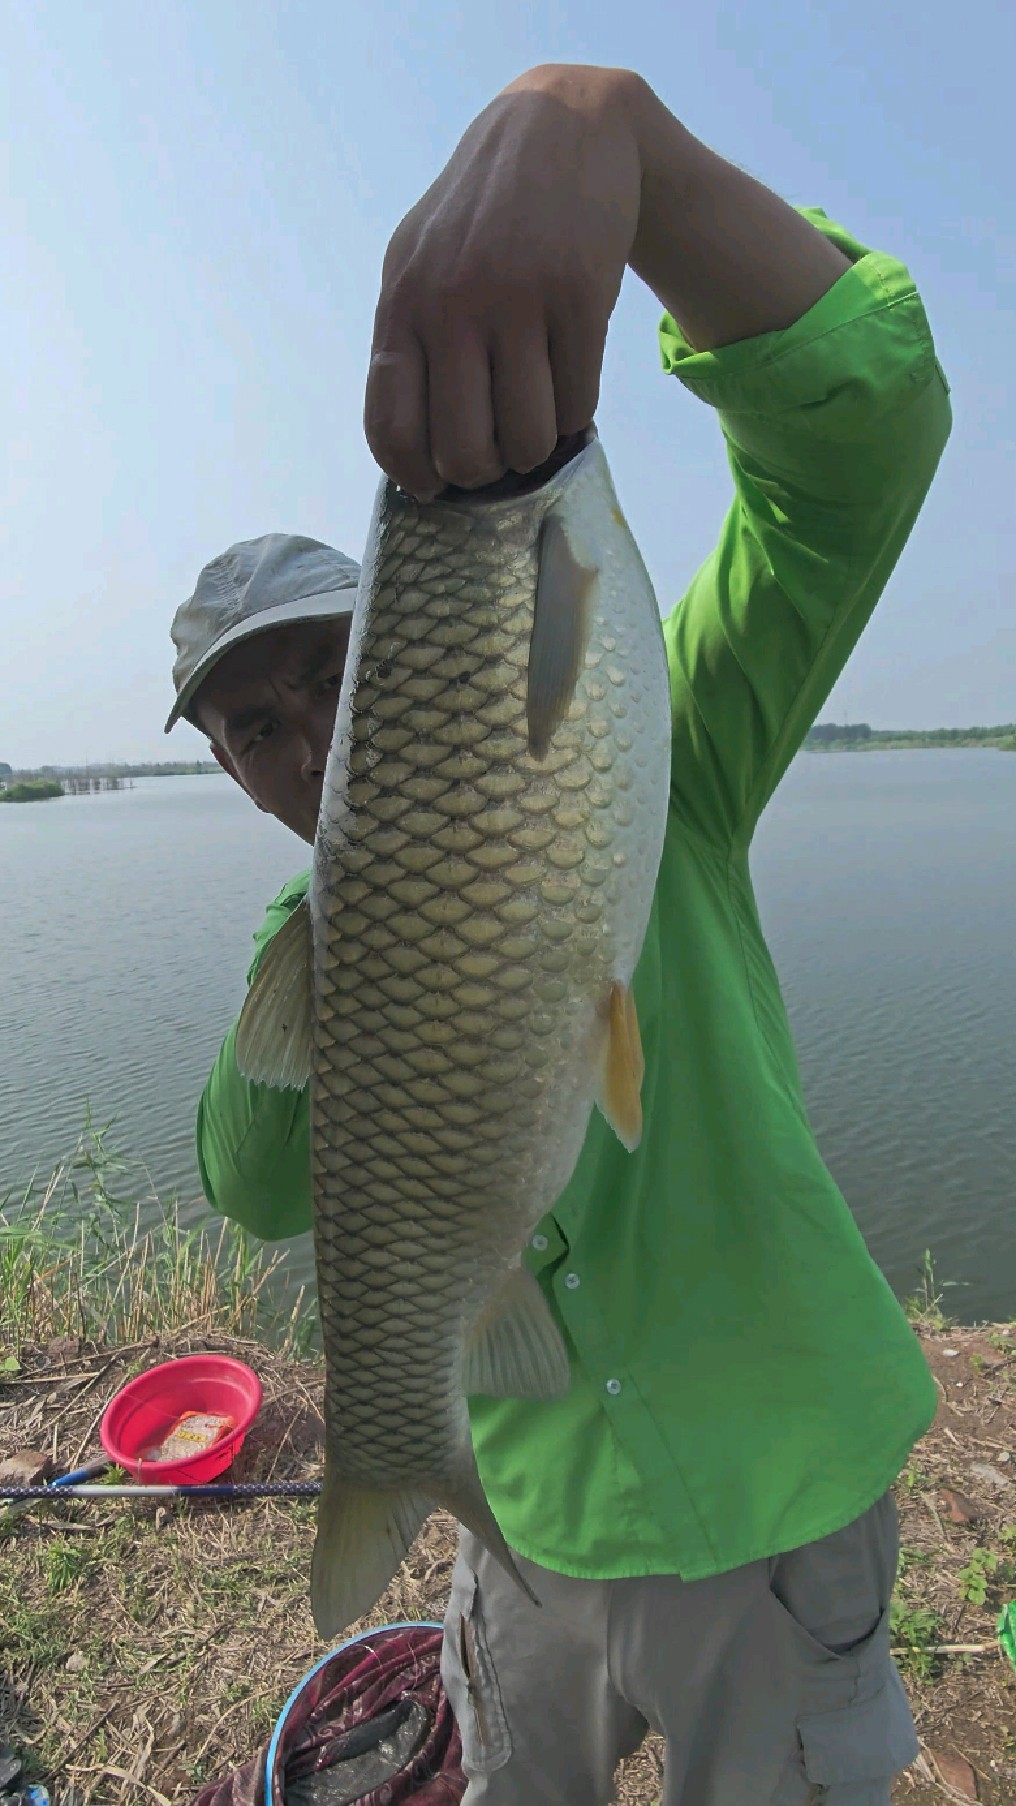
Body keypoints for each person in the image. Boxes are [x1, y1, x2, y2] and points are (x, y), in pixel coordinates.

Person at [166, 64, 951, 1806]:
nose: (299, 736)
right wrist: (327, 927)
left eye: (324, 675)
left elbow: (867, 433)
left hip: (778, 1498)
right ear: (224, 769)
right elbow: (250, 1182)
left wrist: (622, 141)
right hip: (517, 1516)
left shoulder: (651, 752)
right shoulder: (306, 942)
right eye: (250, 727)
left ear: (411, 652)